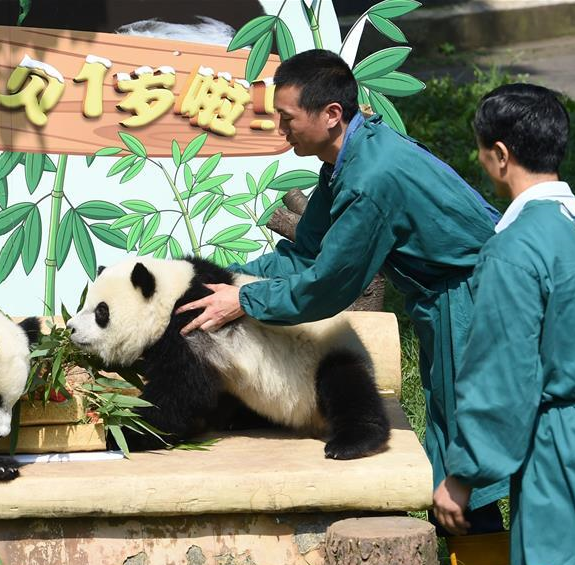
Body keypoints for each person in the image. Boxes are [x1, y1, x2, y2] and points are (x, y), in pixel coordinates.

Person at [176, 49, 507, 531]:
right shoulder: (349, 159)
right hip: (451, 297)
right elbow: (305, 252)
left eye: (287, 117)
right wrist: (221, 279)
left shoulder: (370, 180)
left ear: (332, 115)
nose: (280, 128)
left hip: (479, 299)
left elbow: (327, 286)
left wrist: (243, 300)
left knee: (470, 459)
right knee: (459, 446)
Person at [432, 84, 575, 563]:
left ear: (500, 155)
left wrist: (465, 473)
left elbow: (504, 374)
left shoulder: (515, 249)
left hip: (560, 444)